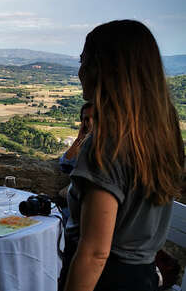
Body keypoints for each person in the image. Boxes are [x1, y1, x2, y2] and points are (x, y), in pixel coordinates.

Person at [59, 20, 184, 291]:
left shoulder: (106, 144)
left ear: (106, 70)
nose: (80, 71)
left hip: (105, 280)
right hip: (144, 276)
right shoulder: (161, 133)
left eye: (85, 61)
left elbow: (95, 252)